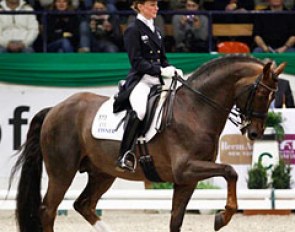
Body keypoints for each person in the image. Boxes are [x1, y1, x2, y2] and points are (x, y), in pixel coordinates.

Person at [114, 0, 183, 172]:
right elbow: (137, 62)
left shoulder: (156, 31)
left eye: (156, 5)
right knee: (140, 110)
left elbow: (163, 59)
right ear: (140, 6)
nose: (156, 8)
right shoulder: (132, 29)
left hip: (158, 79)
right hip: (142, 80)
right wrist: (160, 71)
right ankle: (124, 154)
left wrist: (172, 69)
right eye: (152, 5)